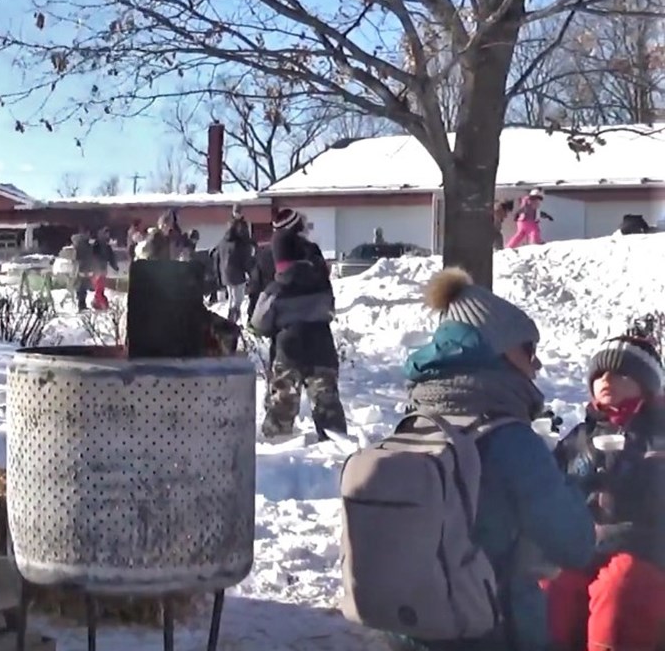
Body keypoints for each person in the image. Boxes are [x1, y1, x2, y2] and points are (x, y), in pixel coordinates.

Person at [355, 268, 595, 651]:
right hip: (494, 628)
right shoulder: (512, 441)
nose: (537, 365)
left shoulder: (413, 425)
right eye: (529, 349)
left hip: (407, 631)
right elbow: (575, 543)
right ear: (497, 351)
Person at [543, 334, 665, 651]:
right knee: (551, 583)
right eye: (600, 375)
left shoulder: (658, 432)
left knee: (621, 586)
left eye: (621, 374)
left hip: (644, 544)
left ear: (646, 385)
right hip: (585, 542)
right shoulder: (581, 436)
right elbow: (555, 484)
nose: (607, 380)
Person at [249, 208, 346, 441]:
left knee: (283, 400)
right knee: (326, 399)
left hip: (287, 345)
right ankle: (337, 445)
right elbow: (329, 306)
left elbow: (258, 321)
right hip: (321, 342)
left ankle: (277, 443)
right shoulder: (316, 268)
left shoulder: (271, 277)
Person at [215, 205, 254, 324]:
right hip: (237, 273)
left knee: (232, 298)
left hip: (226, 273)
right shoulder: (240, 242)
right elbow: (245, 256)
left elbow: (216, 257)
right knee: (238, 300)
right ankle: (233, 322)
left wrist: (219, 275)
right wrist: (250, 271)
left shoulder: (223, 242)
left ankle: (230, 321)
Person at [90, 227, 118, 311]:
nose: (108, 235)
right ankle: (103, 305)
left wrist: (114, 266)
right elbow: (93, 256)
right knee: (99, 289)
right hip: (97, 270)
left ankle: (97, 303)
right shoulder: (97, 245)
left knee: (100, 289)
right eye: (106, 233)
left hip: (102, 269)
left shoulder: (105, 246)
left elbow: (111, 257)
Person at [69, 227, 95, 311]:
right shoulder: (83, 245)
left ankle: (81, 303)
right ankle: (81, 304)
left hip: (84, 268)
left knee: (82, 287)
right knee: (82, 287)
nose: (88, 236)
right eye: (87, 234)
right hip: (83, 268)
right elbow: (79, 257)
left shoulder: (81, 245)